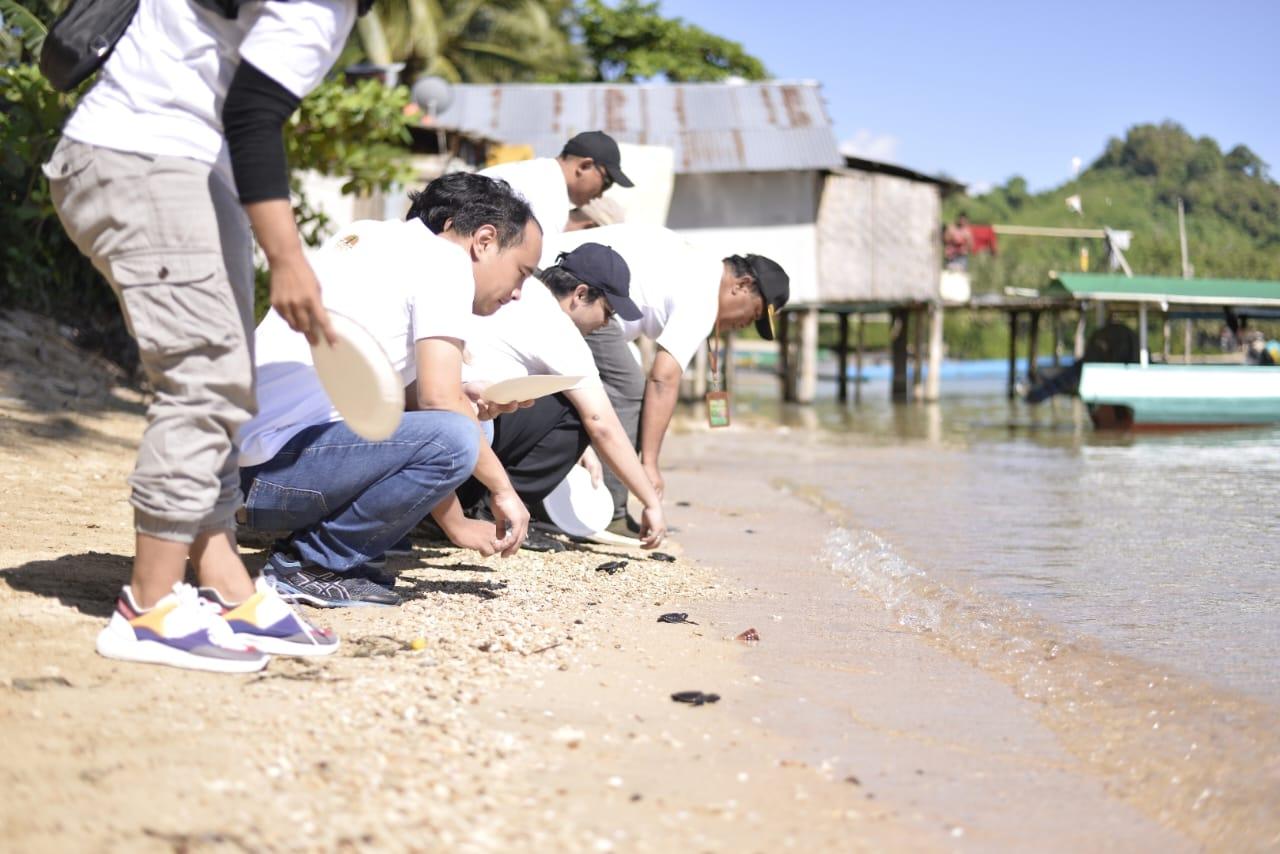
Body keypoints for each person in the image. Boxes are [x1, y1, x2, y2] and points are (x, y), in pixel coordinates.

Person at [41, 0, 362, 670]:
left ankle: (226, 586)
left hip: (185, 163)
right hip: (146, 153)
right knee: (205, 376)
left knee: (228, 377)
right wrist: (288, 258)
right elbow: (252, 113)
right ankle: (149, 608)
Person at [237, 173, 542, 607]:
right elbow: (440, 405)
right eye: (521, 273)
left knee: (469, 429)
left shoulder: (361, 236)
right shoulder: (445, 262)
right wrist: (503, 491)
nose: (517, 293)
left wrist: (455, 524)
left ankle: (325, 551)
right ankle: (311, 565)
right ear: (485, 240)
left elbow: (423, 403)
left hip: (239, 466)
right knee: (460, 436)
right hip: (272, 472)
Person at [547, 225, 790, 531]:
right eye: (753, 314)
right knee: (626, 386)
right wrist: (649, 464)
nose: (744, 325)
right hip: (573, 288)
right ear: (742, 284)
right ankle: (609, 513)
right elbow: (663, 379)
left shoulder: (695, 263)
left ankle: (559, 498)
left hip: (552, 272)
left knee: (612, 379)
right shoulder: (705, 291)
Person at [454, 243, 667, 549]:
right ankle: (495, 515)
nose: (607, 323)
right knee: (576, 411)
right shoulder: (558, 327)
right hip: (470, 433)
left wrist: (581, 450)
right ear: (580, 294)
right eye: (607, 311)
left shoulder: (521, 290)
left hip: (449, 424)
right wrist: (650, 502)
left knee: (562, 400)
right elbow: (601, 423)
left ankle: (462, 510)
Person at [480, 131, 633, 236]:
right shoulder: (551, 196)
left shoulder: (539, 173)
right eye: (606, 182)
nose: (600, 194)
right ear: (584, 166)